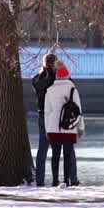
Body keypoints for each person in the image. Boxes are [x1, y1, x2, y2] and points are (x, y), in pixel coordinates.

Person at [43, 61, 84, 187]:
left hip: (53, 127)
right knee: (68, 155)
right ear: (67, 75)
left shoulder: (49, 90)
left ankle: (55, 180)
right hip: (69, 127)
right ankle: (66, 180)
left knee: (55, 155)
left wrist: (47, 128)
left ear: (57, 76)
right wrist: (80, 127)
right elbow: (78, 110)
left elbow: (47, 111)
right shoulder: (72, 89)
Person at [31, 53, 58, 186]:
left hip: (42, 115)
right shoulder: (56, 78)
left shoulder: (37, 79)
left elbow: (37, 80)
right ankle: (56, 181)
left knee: (42, 150)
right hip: (54, 116)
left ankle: (39, 181)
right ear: (54, 63)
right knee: (57, 150)